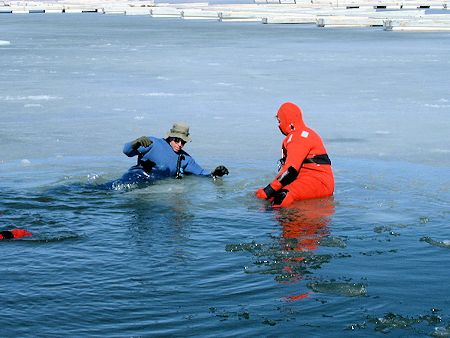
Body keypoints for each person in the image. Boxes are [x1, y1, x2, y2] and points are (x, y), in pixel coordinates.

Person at [255, 102, 334, 207]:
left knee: (282, 197)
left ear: (288, 121)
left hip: (318, 182)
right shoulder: (297, 136)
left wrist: (267, 191)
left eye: (279, 121)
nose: (279, 125)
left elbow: (290, 170)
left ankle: (288, 222)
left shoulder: (300, 136)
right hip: (306, 181)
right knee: (267, 196)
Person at [120, 122, 228, 184]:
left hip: (150, 186)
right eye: (177, 140)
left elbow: (202, 173)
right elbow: (127, 152)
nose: (180, 144)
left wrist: (215, 173)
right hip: (134, 177)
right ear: (170, 136)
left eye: (183, 142)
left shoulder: (185, 159)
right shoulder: (152, 142)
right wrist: (135, 143)